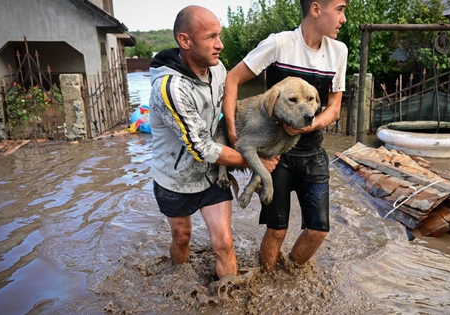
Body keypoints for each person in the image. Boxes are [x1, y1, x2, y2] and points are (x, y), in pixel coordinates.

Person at [148, 5, 279, 279]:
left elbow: (231, 109)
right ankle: (179, 284)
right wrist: (256, 161)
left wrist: (266, 132)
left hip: (211, 175)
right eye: (211, 37)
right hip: (175, 179)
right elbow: (201, 148)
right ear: (185, 41)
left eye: (219, 35)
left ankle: (228, 300)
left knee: (224, 242)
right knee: (182, 237)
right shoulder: (170, 88)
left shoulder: (218, 68)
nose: (220, 44)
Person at [222, 0, 348, 272]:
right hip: (276, 153)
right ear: (316, 9)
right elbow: (232, 79)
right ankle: (266, 280)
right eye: (339, 9)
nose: (343, 18)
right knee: (277, 230)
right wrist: (233, 136)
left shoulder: (339, 51)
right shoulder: (279, 43)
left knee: (318, 230)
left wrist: (310, 125)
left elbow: (335, 107)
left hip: (313, 152)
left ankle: (289, 274)